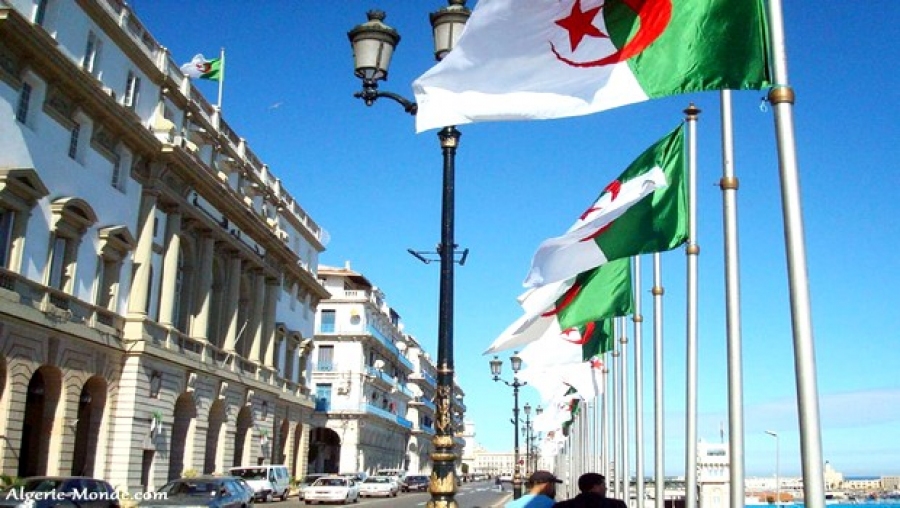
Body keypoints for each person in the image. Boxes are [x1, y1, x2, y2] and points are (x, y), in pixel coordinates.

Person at [555, 473, 627, 508]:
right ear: (595, 487)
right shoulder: (616, 505)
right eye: (604, 485)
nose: (606, 488)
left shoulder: (562, 506)